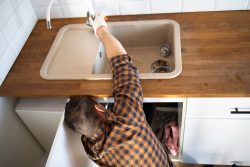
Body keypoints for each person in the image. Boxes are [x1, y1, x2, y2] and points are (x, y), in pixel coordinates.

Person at [64, 14, 173, 167]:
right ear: (98, 107)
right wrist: (100, 29)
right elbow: (122, 63)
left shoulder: (91, 150)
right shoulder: (127, 119)